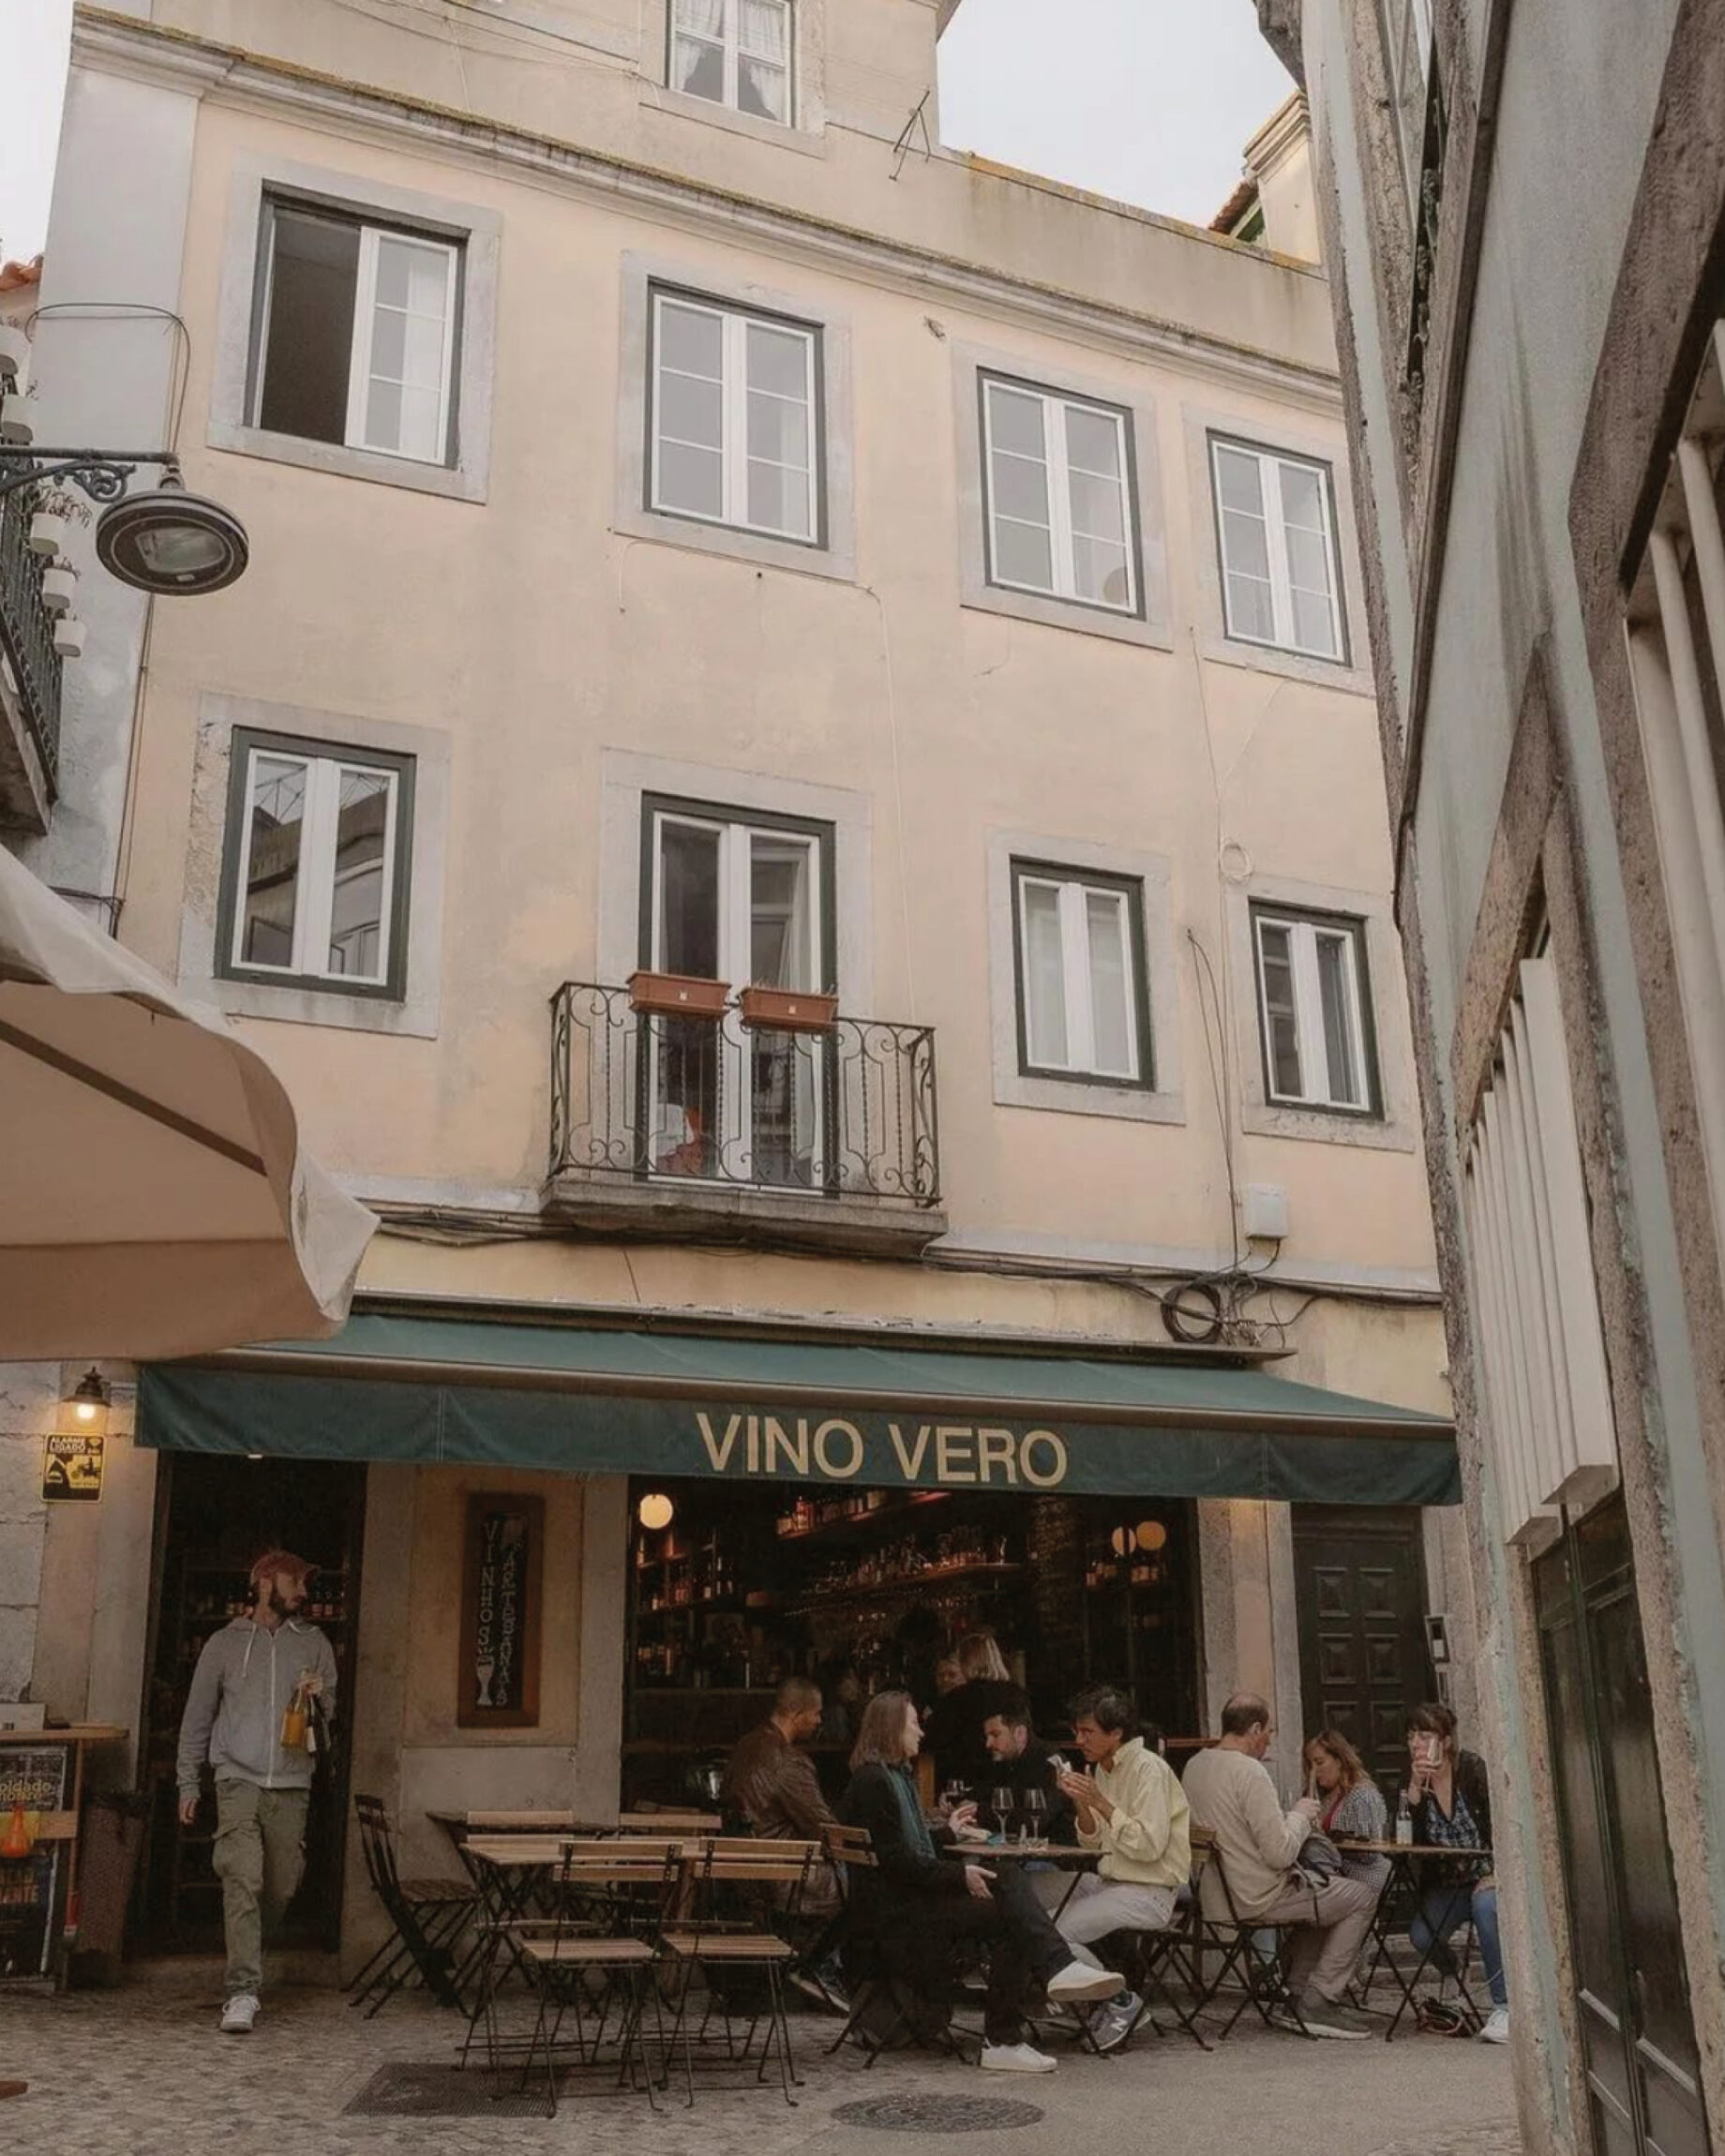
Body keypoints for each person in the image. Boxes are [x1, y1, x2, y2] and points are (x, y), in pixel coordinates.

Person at [836, 1689, 1127, 2073]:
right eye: (913, 1725)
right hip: (897, 1922)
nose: (921, 1733)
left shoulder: (886, 1777)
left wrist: (946, 1835)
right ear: (890, 1730)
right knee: (1011, 1911)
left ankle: (1047, 1980)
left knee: (1007, 1889)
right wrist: (961, 1873)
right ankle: (1012, 2024)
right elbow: (899, 1864)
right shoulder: (876, 1783)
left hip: (898, 1908)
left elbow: (903, 1853)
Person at [176, 1550, 337, 2035]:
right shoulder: (223, 1645)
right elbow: (197, 1716)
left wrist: (320, 1696)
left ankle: (248, 1954)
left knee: (283, 1883)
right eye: (296, 1582)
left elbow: (332, 1716)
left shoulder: (315, 1643)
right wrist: (188, 1781)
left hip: (292, 1783)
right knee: (242, 1877)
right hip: (237, 1779)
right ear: (266, 1583)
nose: (304, 1592)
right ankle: (242, 1991)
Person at [1181, 1692, 1379, 2040]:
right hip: (1258, 1895)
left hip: (1214, 1896)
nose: (1268, 1740)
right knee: (1361, 1896)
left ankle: (1295, 1990)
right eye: (1268, 1732)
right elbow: (1280, 1854)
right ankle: (1319, 1998)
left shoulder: (1195, 1765)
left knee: (1327, 1897)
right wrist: (1300, 1816)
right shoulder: (1250, 1772)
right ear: (1255, 1728)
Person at [1042, 1684, 1192, 2054]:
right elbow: (1092, 1844)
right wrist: (1081, 1803)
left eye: (1088, 1732)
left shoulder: (1148, 1771)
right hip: (1113, 1879)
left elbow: (1148, 1846)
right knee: (1034, 1908)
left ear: (1116, 1733)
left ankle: (1120, 2000)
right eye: (1077, 1731)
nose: (1079, 1740)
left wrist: (1100, 1802)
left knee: (1058, 1930)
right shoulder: (1104, 1769)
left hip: (1150, 1890)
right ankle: (1089, 2000)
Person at [1402, 1701, 1508, 2043]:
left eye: (1424, 1734)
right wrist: (1415, 1790)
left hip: (1486, 1875)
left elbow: (1501, 1822)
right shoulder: (1418, 1785)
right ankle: (1451, 1970)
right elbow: (1410, 1843)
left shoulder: (1472, 1769)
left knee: (1487, 1909)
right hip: (1448, 1883)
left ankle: (1504, 2007)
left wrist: (1498, 1871)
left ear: (1445, 1741)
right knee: (1421, 1935)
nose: (1416, 1743)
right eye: (1411, 1736)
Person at [923, 1631, 1018, 1793]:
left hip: (966, 1783)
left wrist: (929, 1720)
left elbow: (929, 1740)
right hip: (1011, 1780)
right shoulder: (1017, 1695)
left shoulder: (960, 1697)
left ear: (967, 1662)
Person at [980, 1690, 1076, 1844]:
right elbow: (982, 1796)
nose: (988, 1743)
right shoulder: (1002, 1762)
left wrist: (980, 1812)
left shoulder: (1053, 1762)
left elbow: (1035, 1822)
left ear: (1020, 1733)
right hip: (1014, 1851)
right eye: (987, 1736)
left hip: (1053, 1855)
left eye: (995, 1735)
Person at [1304, 1728, 1391, 1893]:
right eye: (1310, 1765)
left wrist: (1331, 1843)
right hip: (1333, 1877)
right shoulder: (1326, 1798)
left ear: (1339, 1760)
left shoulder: (1362, 1795)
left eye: (1320, 1763)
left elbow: (1369, 1852)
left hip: (1363, 1876)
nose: (1314, 1772)